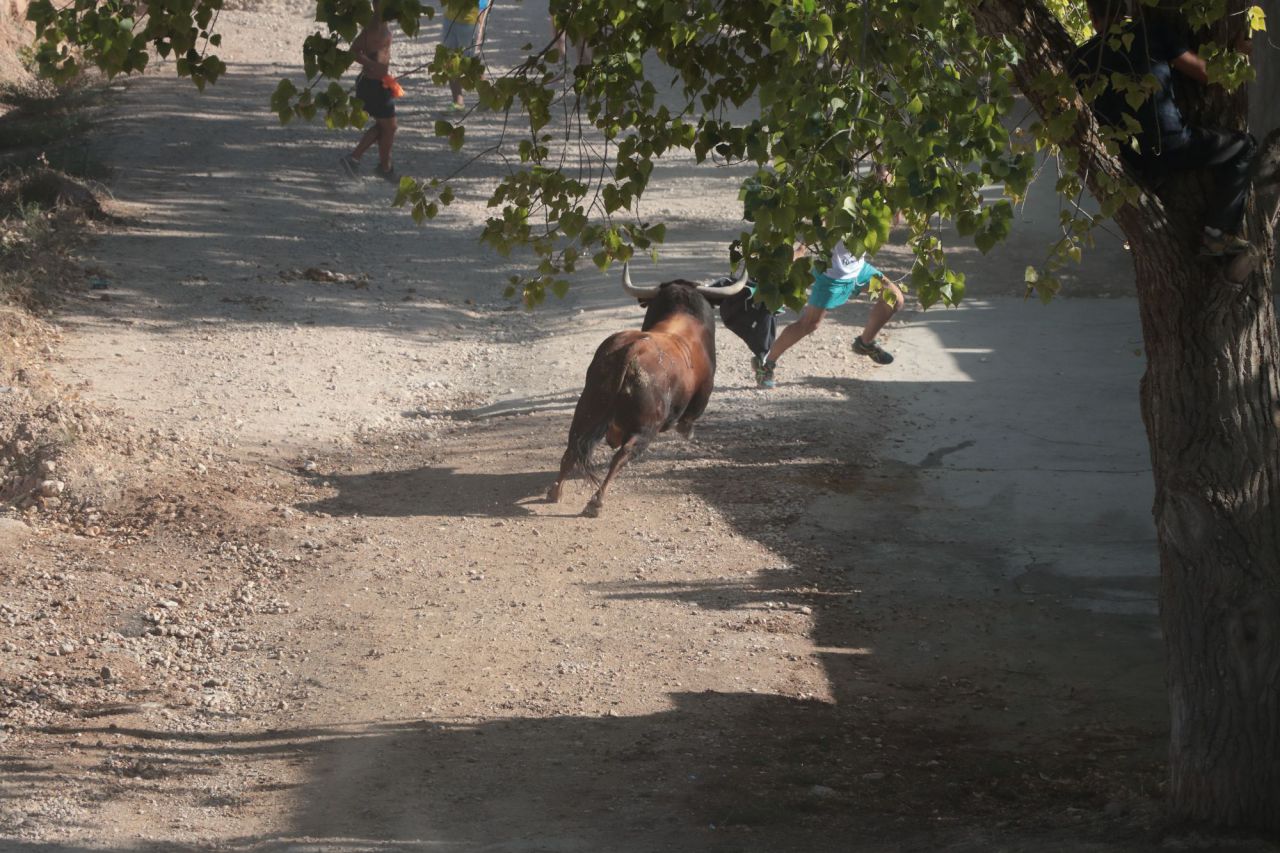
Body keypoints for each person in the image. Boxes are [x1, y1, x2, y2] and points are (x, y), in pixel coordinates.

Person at [1071, 0, 1259, 256]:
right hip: (1171, 144)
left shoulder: (1080, 60)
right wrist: (1238, 56)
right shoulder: (1151, 33)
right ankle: (1218, 233)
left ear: (1092, 17)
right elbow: (1207, 74)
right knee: (1246, 146)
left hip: (1131, 163)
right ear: (1126, 10)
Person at [751, 241, 904, 389]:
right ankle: (765, 364)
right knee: (809, 324)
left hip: (859, 270)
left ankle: (865, 343)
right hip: (833, 276)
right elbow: (819, 226)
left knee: (895, 299)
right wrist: (801, 249)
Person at [339, 0, 398, 181]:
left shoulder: (381, 22)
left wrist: (384, 73)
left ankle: (383, 167)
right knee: (389, 127)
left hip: (379, 83)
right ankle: (358, 160)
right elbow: (353, 51)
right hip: (373, 85)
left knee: (386, 127)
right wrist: (372, 65)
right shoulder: (375, 25)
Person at [442, 0, 491, 111]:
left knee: (472, 63)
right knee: (450, 61)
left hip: (470, 23)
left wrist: (480, 25)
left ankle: (486, 97)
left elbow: (484, 3)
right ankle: (457, 102)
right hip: (449, 18)